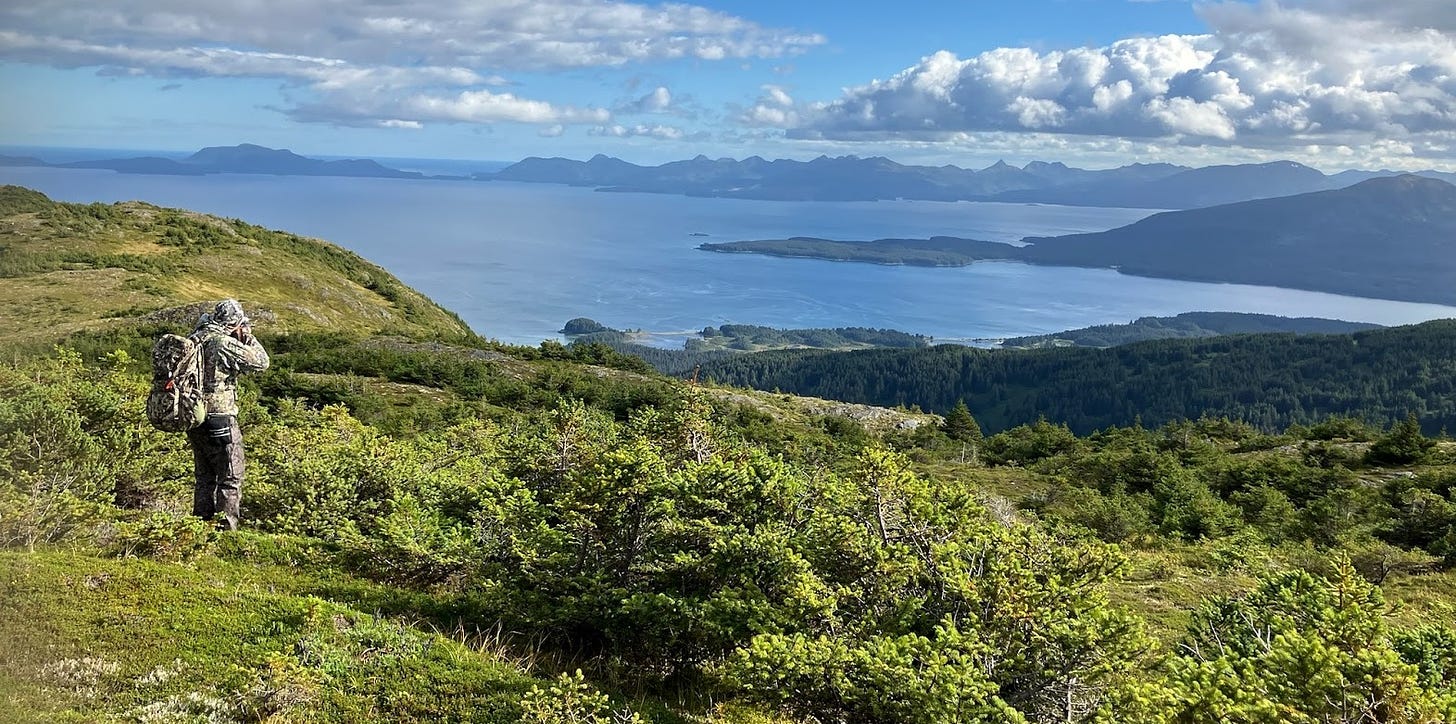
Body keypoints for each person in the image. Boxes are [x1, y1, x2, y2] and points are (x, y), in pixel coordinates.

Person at [187, 299, 269, 531]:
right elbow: (261, 363)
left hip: (195, 415)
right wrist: (248, 336)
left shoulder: (196, 338)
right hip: (220, 415)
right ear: (234, 322)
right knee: (230, 475)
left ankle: (198, 525)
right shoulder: (223, 343)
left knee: (205, 476)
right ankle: (225, 530)